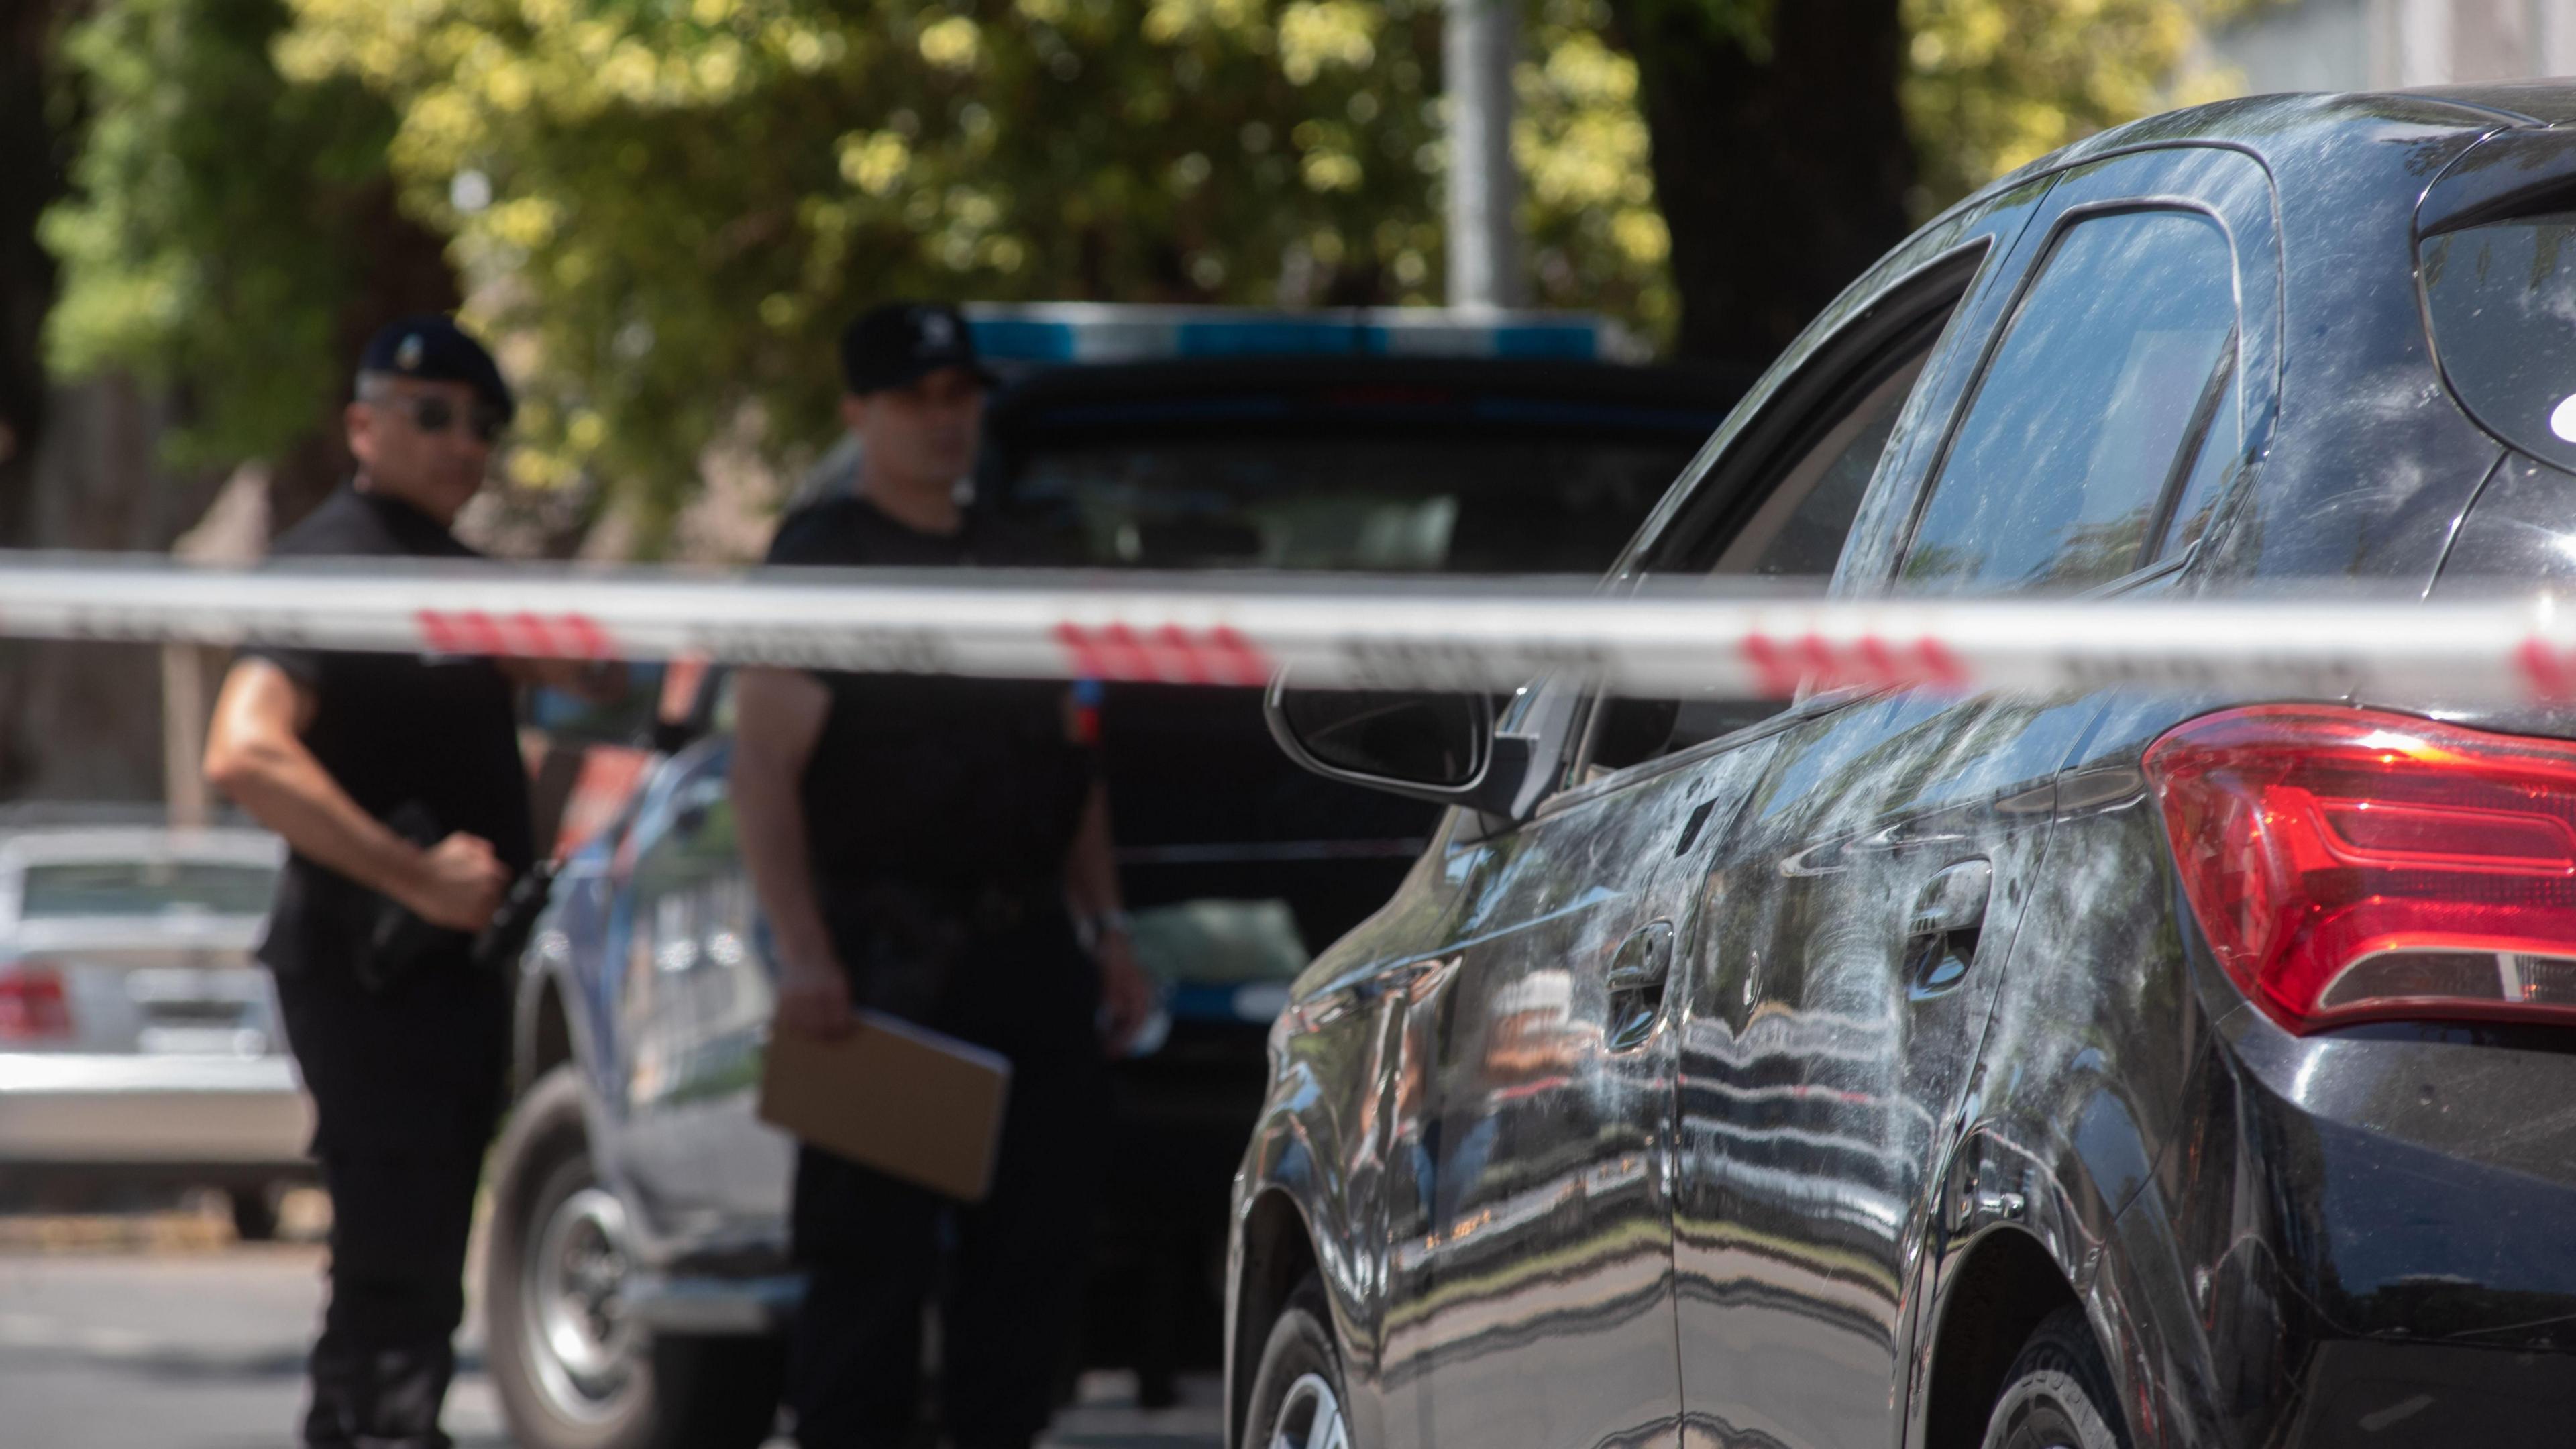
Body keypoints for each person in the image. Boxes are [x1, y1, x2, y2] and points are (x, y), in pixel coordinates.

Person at [733, 300, 1153, 1449]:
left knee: (1035, 1276)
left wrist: (1109, 931)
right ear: (859, 413)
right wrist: (806, 953)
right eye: (916, 399)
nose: (942, 421)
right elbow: (761, 770)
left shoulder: (1022, 556)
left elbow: (1075, 765)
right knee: (868, 1284)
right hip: (886, 965)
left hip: (1029, 956)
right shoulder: (826, 559)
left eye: (959, 397)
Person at [203, 315, 613, 1449]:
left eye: (483, 424)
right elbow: (243, 751)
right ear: (363, 425)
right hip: (372, 961)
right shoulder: (335, 564)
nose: (461, 442)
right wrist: (415, 876)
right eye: (430, 415)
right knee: (394, 1257)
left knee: (419, 1257)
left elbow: (599, 668)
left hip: (448, 974)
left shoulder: (451, 579)